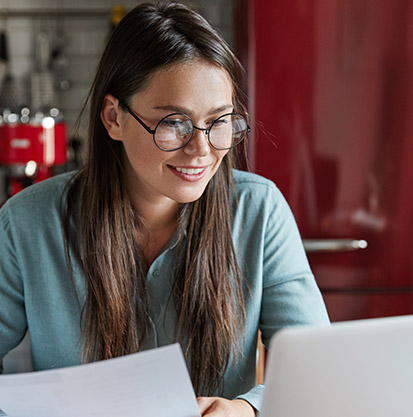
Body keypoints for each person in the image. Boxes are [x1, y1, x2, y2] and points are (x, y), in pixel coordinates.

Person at [0, 2, 329, 415]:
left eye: (220, 121)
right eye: (175, 122)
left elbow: (317, 372)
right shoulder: (28, 223)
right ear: (113, 117)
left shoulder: (260, 212)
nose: (202, 150)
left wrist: (248, 409)